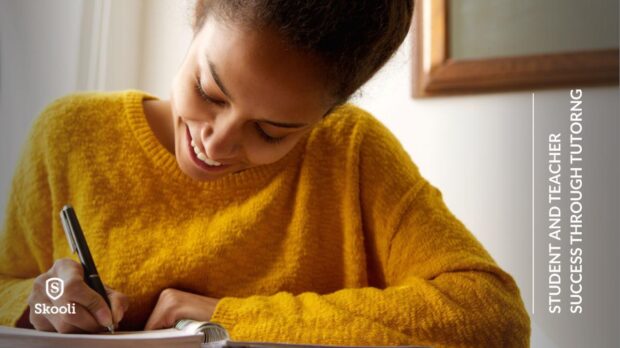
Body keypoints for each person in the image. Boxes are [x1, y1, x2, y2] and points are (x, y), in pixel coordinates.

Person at [0, 0, 530, 346]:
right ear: (198, 14)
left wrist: (229, 318)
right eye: (209, 92)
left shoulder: (350, 151)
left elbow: (493, 317)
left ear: (327, 114)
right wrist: (41, 300)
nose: (217, 141)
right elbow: (7, 285)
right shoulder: (71, 135)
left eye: (273, 132)